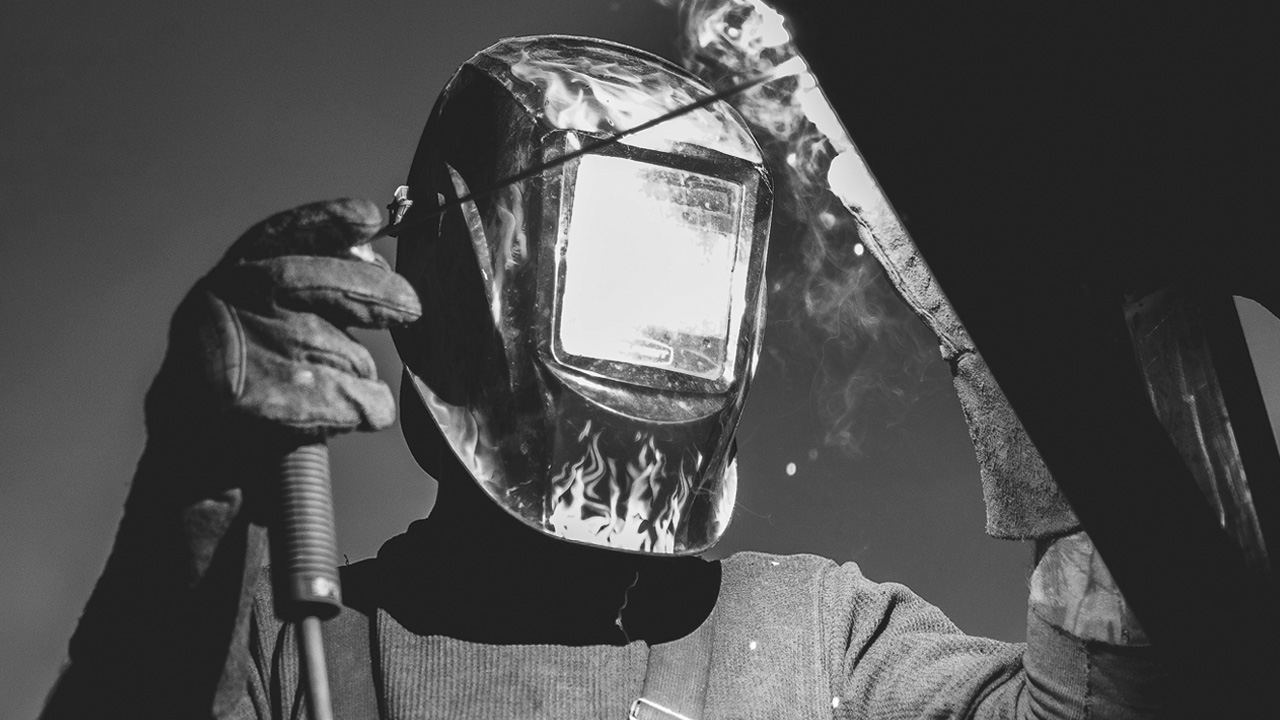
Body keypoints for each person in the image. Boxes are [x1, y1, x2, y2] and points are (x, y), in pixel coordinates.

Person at [42, 36, 1163, 720]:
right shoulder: (298, 653)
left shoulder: (816, 637)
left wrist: (1029, 349)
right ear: (452, 278)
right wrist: (187, 499)